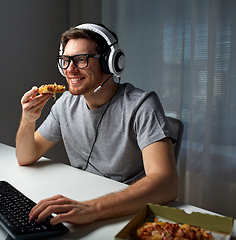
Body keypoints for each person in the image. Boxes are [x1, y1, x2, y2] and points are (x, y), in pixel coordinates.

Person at [15, 23, 178, 226]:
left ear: (109, 62)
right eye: (65, 61)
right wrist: (28, 119)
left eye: (81, 60)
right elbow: (25, 156)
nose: (70, 69)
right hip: (84, 201)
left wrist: (93, 208)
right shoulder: (65, 103)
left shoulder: (141, 105)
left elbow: (166, 184)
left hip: (126, 213)